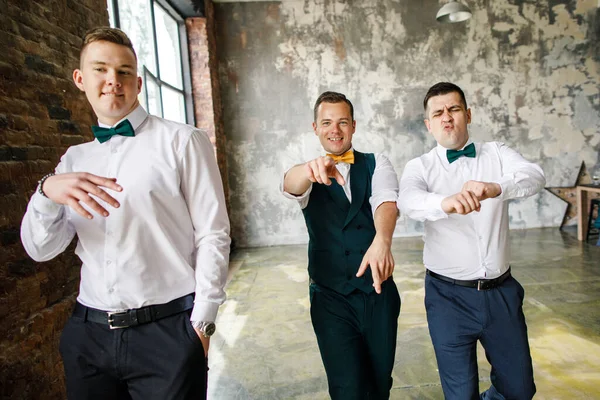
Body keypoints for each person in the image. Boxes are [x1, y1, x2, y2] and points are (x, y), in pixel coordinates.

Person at [20, 27, 230, 400]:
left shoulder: (183, 141)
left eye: (123, 71)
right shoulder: (73, 160)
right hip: (89, 335)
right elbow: (42, 249)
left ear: (138, 80)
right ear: (81, 79)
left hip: (167, 333)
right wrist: (46, 191)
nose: (112, 81)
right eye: (100, 70)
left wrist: (203, 323)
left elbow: (213, 234)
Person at [398, 82, 544, 400]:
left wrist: (496, 187)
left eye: (453, 109)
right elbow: (408, 201)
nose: (447, 117)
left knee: (520, 389)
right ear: (429, 124)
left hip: (501, 292)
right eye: (438, 113)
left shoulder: (497, 153)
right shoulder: (419, 167)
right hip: (447, 297)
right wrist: (444, 203)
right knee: (461, 395)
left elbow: (534, 175)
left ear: (468, 114)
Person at [282, 91, 401, 399]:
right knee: (347, 388)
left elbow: (386, 199)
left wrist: (382, 240)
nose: (335, 129)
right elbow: (289, 184)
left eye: (342, 122)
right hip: (331, 297)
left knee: (379, 382)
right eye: (327, 122)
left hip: (378, 294)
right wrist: (308, 170)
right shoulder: (306, 176)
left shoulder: (377, 162)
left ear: (353, 126)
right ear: (315, 128)